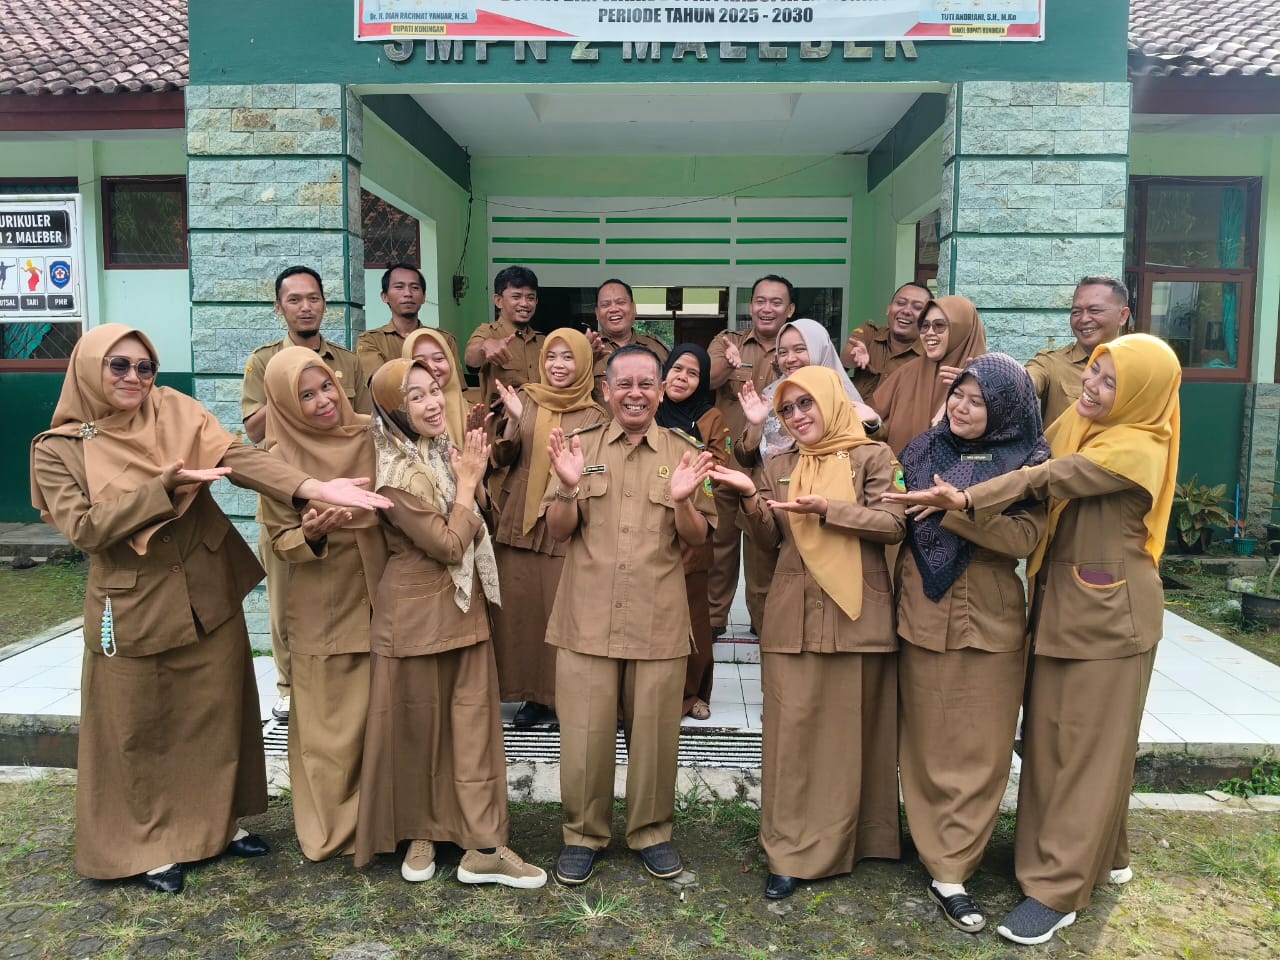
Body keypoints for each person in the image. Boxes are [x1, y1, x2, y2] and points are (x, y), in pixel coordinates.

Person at [30, 323, 392, 894]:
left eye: (145, 367)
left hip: (206, 588)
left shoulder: (174, 409)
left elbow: (240, 458)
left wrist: (314, 488)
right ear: (88, 369)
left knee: (216, 714)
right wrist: (162, 489)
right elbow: (86, 529)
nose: (134, 377)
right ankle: (148, 845)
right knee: (138, 726)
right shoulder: (58, 449)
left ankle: (215, 828)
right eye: (119, 366)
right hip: (134, 602)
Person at [884, 334, 1181, 945]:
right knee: (1057, 745)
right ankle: (1107, 855)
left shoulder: (1137, 444)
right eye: (1092, 372)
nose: (1090, 387)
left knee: (1084, 749)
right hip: (1057, 608)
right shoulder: (1079, 425)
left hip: (1108, 618)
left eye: (1109, 382)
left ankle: (1056, 890)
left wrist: (965, 497)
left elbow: (1042, 477)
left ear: (1142, 394)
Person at [713, 365, 906, 901]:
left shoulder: (874, 457)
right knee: (792, 736)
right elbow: (768, 539)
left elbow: (895, 525)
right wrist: (749, 496)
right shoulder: (779, 463)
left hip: (856, 615)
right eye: (787, 409)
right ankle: (789, 850)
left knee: (851, 734)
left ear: (832, 401)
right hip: (793, 613)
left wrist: (831, 511)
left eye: (806, 404)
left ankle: (861, 839)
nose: (797, 417)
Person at [354, 359, 546, 889]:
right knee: (419, 733)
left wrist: (471, 482)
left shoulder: (441, 452)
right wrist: (466, 486)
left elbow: (481, 522)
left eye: (435, 389)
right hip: (413, 618)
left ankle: (484, 847)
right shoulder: (393, 473)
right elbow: (447, 544)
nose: (433, 402)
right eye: (415, 396)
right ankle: (423, 833)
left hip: (462, 609)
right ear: (393, 411)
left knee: (473, 733)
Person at [543, 345, 717, 886]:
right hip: (587, 617)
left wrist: (683, 500)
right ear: (606, 390)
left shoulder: (686, 452)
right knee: (584, 738)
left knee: (656, 739)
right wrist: (567, 486)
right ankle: (582, 835)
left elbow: (699, 539)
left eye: (646, 384)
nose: (635, 394)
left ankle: (652, 832)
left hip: (657, 618)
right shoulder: (578, 446)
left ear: (661, 391)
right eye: (624, 384)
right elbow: (557, 530)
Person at [894, 354, 1050, 934]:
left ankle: (957, 860)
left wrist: (959, 510)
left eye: (978, 401)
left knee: (982, 747)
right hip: (922, 610)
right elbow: (895, 522)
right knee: (927, 742)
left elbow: (1025, 538)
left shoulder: (1029, 460)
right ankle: (940, 860)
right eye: (957, 394)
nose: (962, 407)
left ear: (1005, 409)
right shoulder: (920, 451)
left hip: (989, 614)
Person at [260, 348, 389, 862]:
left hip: (382, 594)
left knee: (381, 721)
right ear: (284, 405)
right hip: (322, 602)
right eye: (306, 396)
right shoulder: (275, 460)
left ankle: (384, 823)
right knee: (330, 729)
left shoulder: (372, 434)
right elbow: (278, 542)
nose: (323, 401)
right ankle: (334, 831)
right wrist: (310, 534)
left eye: (326, 387)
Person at [241, 265, 371, 721]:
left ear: (324, 304)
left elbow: (360, 423)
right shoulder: (264, 361)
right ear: (279, 308)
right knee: (287, 597)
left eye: (313, 298)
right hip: (287, 488)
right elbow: (252, 431)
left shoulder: (347, 362)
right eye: (294, 299)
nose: (305, 307)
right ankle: (288, 685)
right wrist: (287, 392)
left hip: (346, 488)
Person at [489, 328, 605, 728]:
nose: (558, 365)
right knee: (520, 610)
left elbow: (592, 470)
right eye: (552, 356)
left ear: (584, 362)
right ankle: (531, 695)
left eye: (568, 357)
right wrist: (512, 422)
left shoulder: (595, 415)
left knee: (561, 609)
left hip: (562, 516)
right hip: (518, 515)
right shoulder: (525, 398)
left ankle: (562, 696)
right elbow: (502, 458)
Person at [706, 275, 795, 636]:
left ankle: (763, 622)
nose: (766, 308)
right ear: (751, 305)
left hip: (774, 468)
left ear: (790, 309)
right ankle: (714, 619)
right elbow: (706, 380)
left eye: (776, 302)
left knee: (764, 551)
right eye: (760, 300)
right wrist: (729, 364)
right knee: (720, 545)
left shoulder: (796, 349)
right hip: (727, 463)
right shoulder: (728, 342)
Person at [655, 344, 731, 721]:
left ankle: (693, 693)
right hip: (648, 526)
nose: (682, 378)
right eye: (677, 369)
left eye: (692, 373)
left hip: (692, 524)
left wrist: (685, 449)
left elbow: (719, 466)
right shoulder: (648, 407)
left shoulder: (710, 416)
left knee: (693, 618)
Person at [736, 318, 877, 466]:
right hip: (772, 480)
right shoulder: (772, 394)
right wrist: (756, 426)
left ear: (820, 349)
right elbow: (745, 460)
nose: (790, 359)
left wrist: (873, 424)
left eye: (799, 349)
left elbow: (867, 453)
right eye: (783, 352)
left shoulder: (842, 396)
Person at [868, 295, 988, 456]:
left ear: (962, 330)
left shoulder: (990, 379)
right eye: (924, 326)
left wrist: (975, 392)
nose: (929, 333)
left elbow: (996, 451)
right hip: (901, 471)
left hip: (964, 471)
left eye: (939, 325)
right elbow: (874, 429)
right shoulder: (906, 373)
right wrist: (872, 425)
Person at [1026, 276, 1130, 426]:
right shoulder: (1051, 363)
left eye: (1094, 310)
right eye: (1076, 312)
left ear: (1123, 316)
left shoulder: (1139, 369)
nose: (1084, 319)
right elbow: (1027, 379)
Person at [357, 263, 462, 385]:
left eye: (415, 287)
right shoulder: (370, 340)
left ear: (423, 297)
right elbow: (380, 383)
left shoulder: (443, 339)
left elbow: (456, 387)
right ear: (385, 296)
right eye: (399, 287)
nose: (408, 293)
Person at [464, 265, 545, 415]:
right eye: (516, 297)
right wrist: (485, 346)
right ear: (498, 300)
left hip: (538, 423)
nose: (525, 303)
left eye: (530, 298)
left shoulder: (543, 342)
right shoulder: (488, 332)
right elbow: (470, 359)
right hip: (501, 426)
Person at [840, 282, 930, 397]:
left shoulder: (930, 355)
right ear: (888, 309)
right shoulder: (870, 333)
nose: (906, 311)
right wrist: (854, 356)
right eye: (901, 303)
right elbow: (845, 361)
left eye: (917, 307)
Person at [588, 278, 670, 403]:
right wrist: (587, 361)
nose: (613, 309)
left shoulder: (657, 349)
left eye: (620, 302)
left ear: (633, 307)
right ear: (597, 313)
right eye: (605, 304)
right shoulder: (586, 348)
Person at [402, 326, 485, 445]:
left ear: (450, 361)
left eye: (438, 358)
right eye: (420, 362)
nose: (431, 367)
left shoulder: (473, 412)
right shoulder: (401, 419)